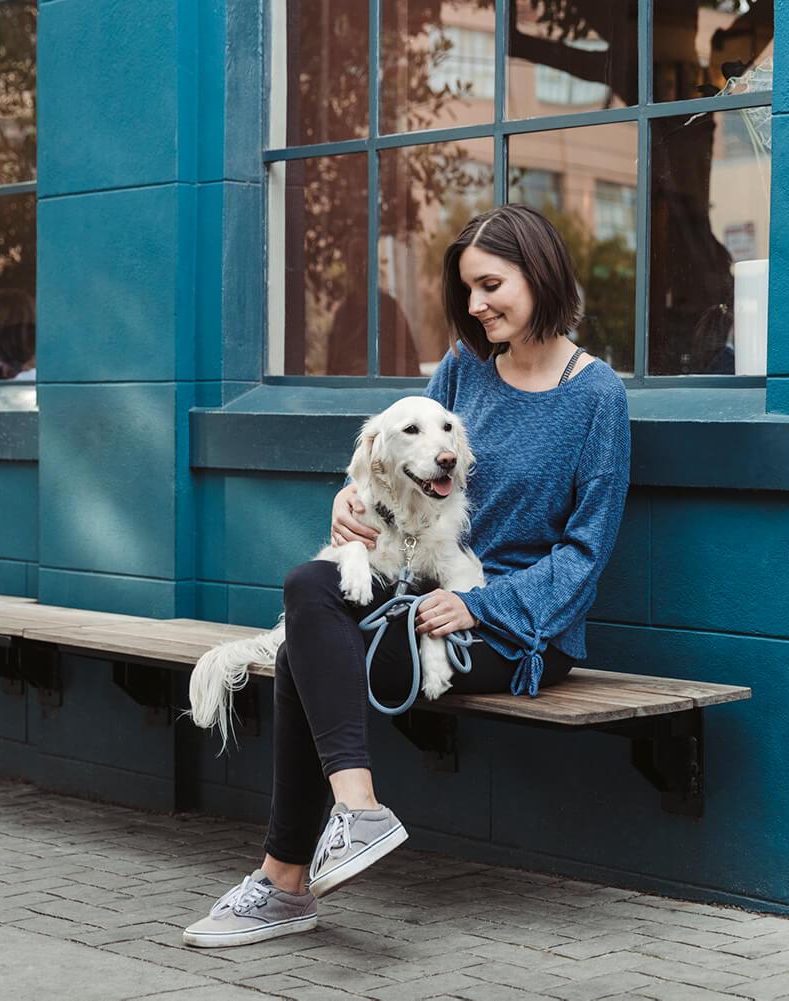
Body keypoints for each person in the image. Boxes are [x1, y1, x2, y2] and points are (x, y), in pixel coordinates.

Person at [183, 205, 630, 949]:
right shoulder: (463, 371)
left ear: (540, 274)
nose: (478, 304)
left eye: (492, 285)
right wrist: (352, 497)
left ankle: (285, 880)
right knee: (308, 582)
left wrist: (483, 605)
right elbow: (400, 461)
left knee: (299, 652)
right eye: (470, 291)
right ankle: (353, 814)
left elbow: (586, 555)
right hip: (420, 590)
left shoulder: (596, 396)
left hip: (520, 629)